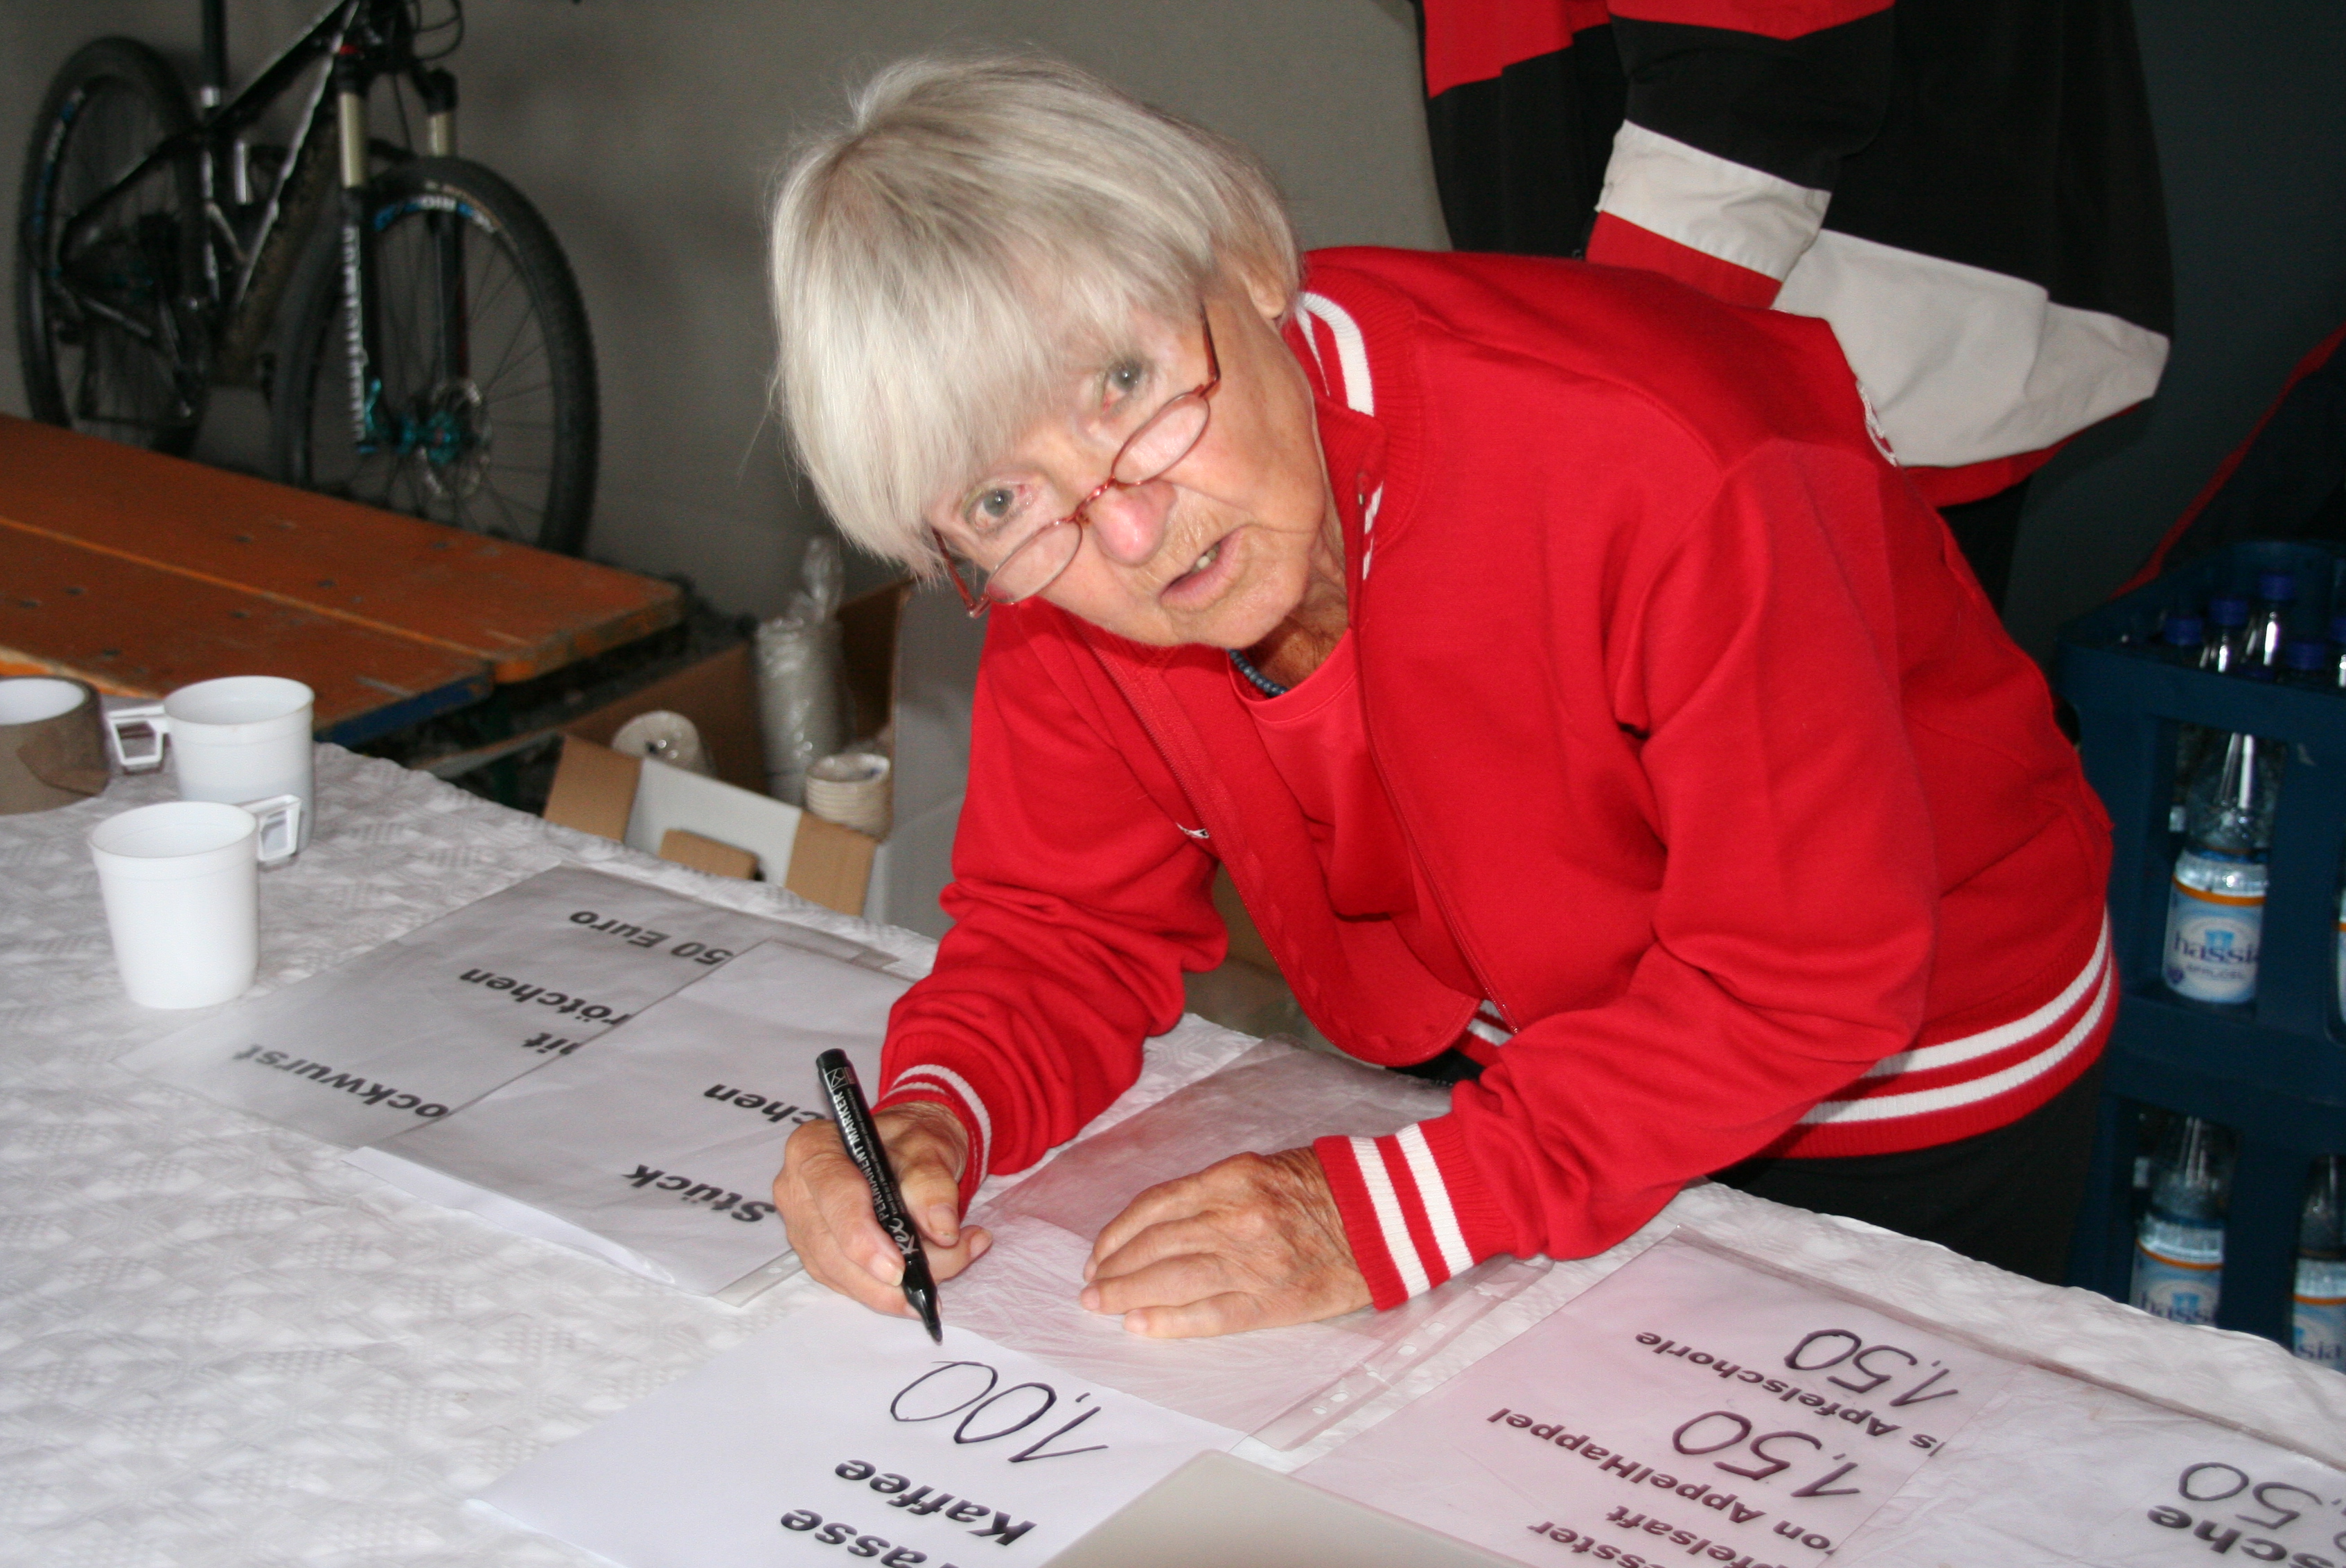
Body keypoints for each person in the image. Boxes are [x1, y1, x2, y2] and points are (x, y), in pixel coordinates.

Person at [766, 52, 2118, 1339]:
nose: (1126, 532)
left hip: (1895, 1079)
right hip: (1527, 1050)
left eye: (1125, 384)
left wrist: (1394, 1211)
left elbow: (1802, 980)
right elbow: (1063, 927)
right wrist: (934, 1114)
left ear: (1250, 262)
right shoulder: (1060, 566)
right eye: (999, 498)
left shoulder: (1665, 454)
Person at [1406, 0, 2176, 610]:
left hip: (1806, 350)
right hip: (1697, 332)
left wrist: (1599, 418)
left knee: (1799, 748)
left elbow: (1752, 79)